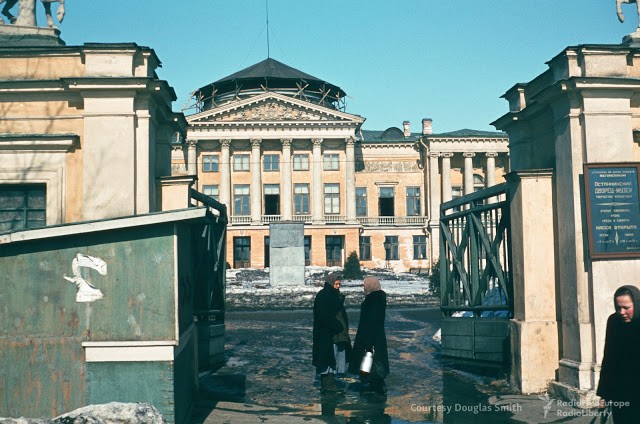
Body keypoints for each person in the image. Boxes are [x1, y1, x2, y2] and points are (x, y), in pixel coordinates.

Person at [597, 285, 640, 423]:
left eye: (626, 308)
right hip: (620, 390)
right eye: (618, 307)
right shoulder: (614, 321)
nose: (621, 312)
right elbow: (609, 358)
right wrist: (604, 393)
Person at [349, 276, 389, 394]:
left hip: (370, 339)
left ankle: (376, 386)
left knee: (371, 362)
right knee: (371, 362)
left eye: (365, 284)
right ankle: (374, 384)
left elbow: (371, 322)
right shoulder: (376, 299)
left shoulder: (373, 301)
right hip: (374, 338)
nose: (363, 287)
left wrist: (368, 342)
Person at [312, 272, 351, 393]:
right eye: (336, 284)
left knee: (333, 359)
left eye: (339, 284)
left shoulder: (334, 295)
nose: (338, 286)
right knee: (327, 359)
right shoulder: (324, 296)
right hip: (326, 334)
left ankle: (330, 383)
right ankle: (327, 385)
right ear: (330, 283)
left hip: (335, 335)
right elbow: (324, 316)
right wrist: (337, 325)